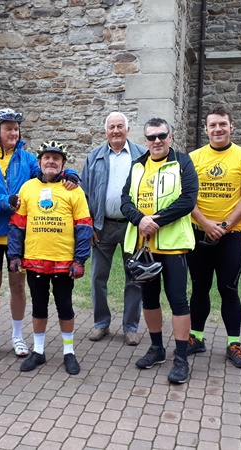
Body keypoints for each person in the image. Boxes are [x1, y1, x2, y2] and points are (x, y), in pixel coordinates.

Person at [0, 108, 80, 359]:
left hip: (19, 236)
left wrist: (70, 175)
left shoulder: (28, 158)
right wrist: (4, 201)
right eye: (8, 128)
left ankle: (18, 336)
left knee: (18, 286)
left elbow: (46, 175)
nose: (14, 132)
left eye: (16, 128)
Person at [120, 118, 198, 384]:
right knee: (150, 300)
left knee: (178, 301)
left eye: (161, 136)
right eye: (151, 137)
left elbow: (188, 199)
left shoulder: (182, 163)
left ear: (170, 137)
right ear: (145, 140)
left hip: (173, 246)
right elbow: (125, 200)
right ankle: (156, 349)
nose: (157, 141)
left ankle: (181, 358)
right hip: (144, 247)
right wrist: (139, 220)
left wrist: (156, 221)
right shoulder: (137, 165)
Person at [8, 141, 92, 375]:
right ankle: (38, 351)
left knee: (65, 306)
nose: (51, 162)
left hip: (63, 261)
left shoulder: (73, 190)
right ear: (39, 162)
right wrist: (14, 255)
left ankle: (69, 352)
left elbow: (84, 226)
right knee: (38, 306)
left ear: (63, 163)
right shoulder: (27, 188)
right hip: (35, 258)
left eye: (56, 158)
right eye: (47, 157)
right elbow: (17, 225)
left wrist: (80, 260)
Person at [186, 106, 241, 369]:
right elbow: (186, 197)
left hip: (230, 236)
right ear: (205, 129)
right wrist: (206, 224)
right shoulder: (193, 158)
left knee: (229, 289)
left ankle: (233, 343)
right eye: (213, 125)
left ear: (231, 127)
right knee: (199, 288)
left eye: (222, 124)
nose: (218, 129)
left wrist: (224, 226)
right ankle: (196, 337)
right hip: (199, 234)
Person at [80, 112, 146, 345]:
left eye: (120, 126)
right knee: (98, 277)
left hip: (132, 227)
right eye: (111, 127)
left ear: (127, 130)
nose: (116, 131)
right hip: (102, 226)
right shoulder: (94, 157)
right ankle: (101, 324)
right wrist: (88, 226)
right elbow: (84, 194)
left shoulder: (142, 155)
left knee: (135, 277)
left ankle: (131, 327)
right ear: (106, 131)